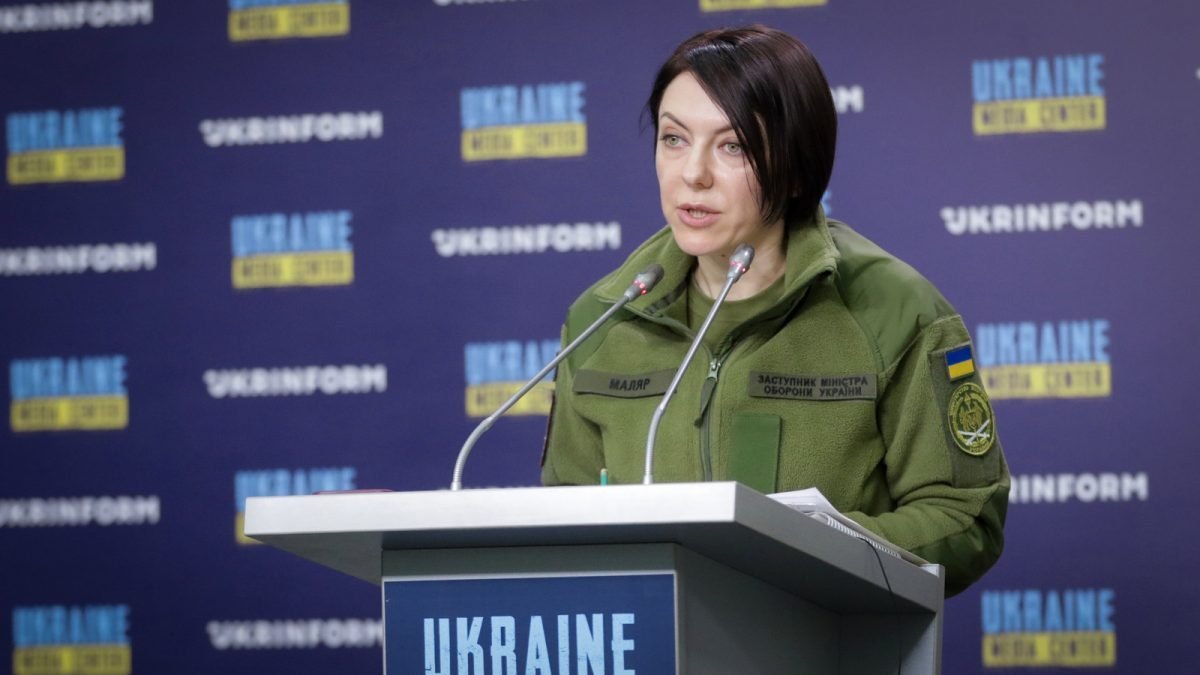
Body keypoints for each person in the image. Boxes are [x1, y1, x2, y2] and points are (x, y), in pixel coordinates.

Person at [540, 25, 1009, 595]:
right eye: (674, 139)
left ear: (795, 164)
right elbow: (566, 519)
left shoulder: (896, 311)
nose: (693, 174)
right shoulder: (602, 317)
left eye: (733, 146)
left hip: (821, 632)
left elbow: (964, 515)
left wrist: (800, 556)